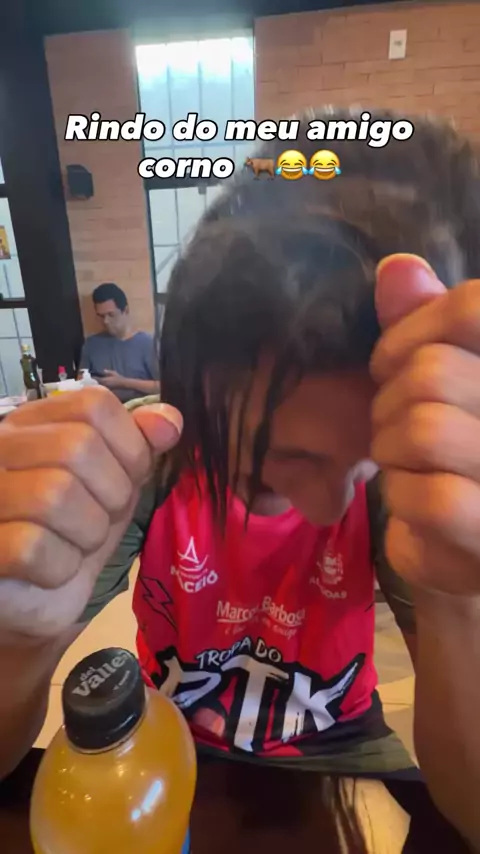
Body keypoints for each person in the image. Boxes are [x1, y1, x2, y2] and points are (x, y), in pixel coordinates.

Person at [1, 108, 480, 851]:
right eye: (284, 459)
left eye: (365, 464)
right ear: (196, 387)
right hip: (162, 738)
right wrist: (17, 638)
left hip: (337, 747)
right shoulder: (149, 459)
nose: (331, 505)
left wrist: (461, 597)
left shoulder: (416, 475)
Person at [79, 282, 160, 402]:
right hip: (101, 408)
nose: (106, 321)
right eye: (101, 316)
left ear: (125, 310)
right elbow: (79, 381)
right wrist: (94, 382)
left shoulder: (147, 344)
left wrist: (123, 382)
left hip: (138, 408)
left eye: (111, 315)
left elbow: (161, 386)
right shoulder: (91, 344)